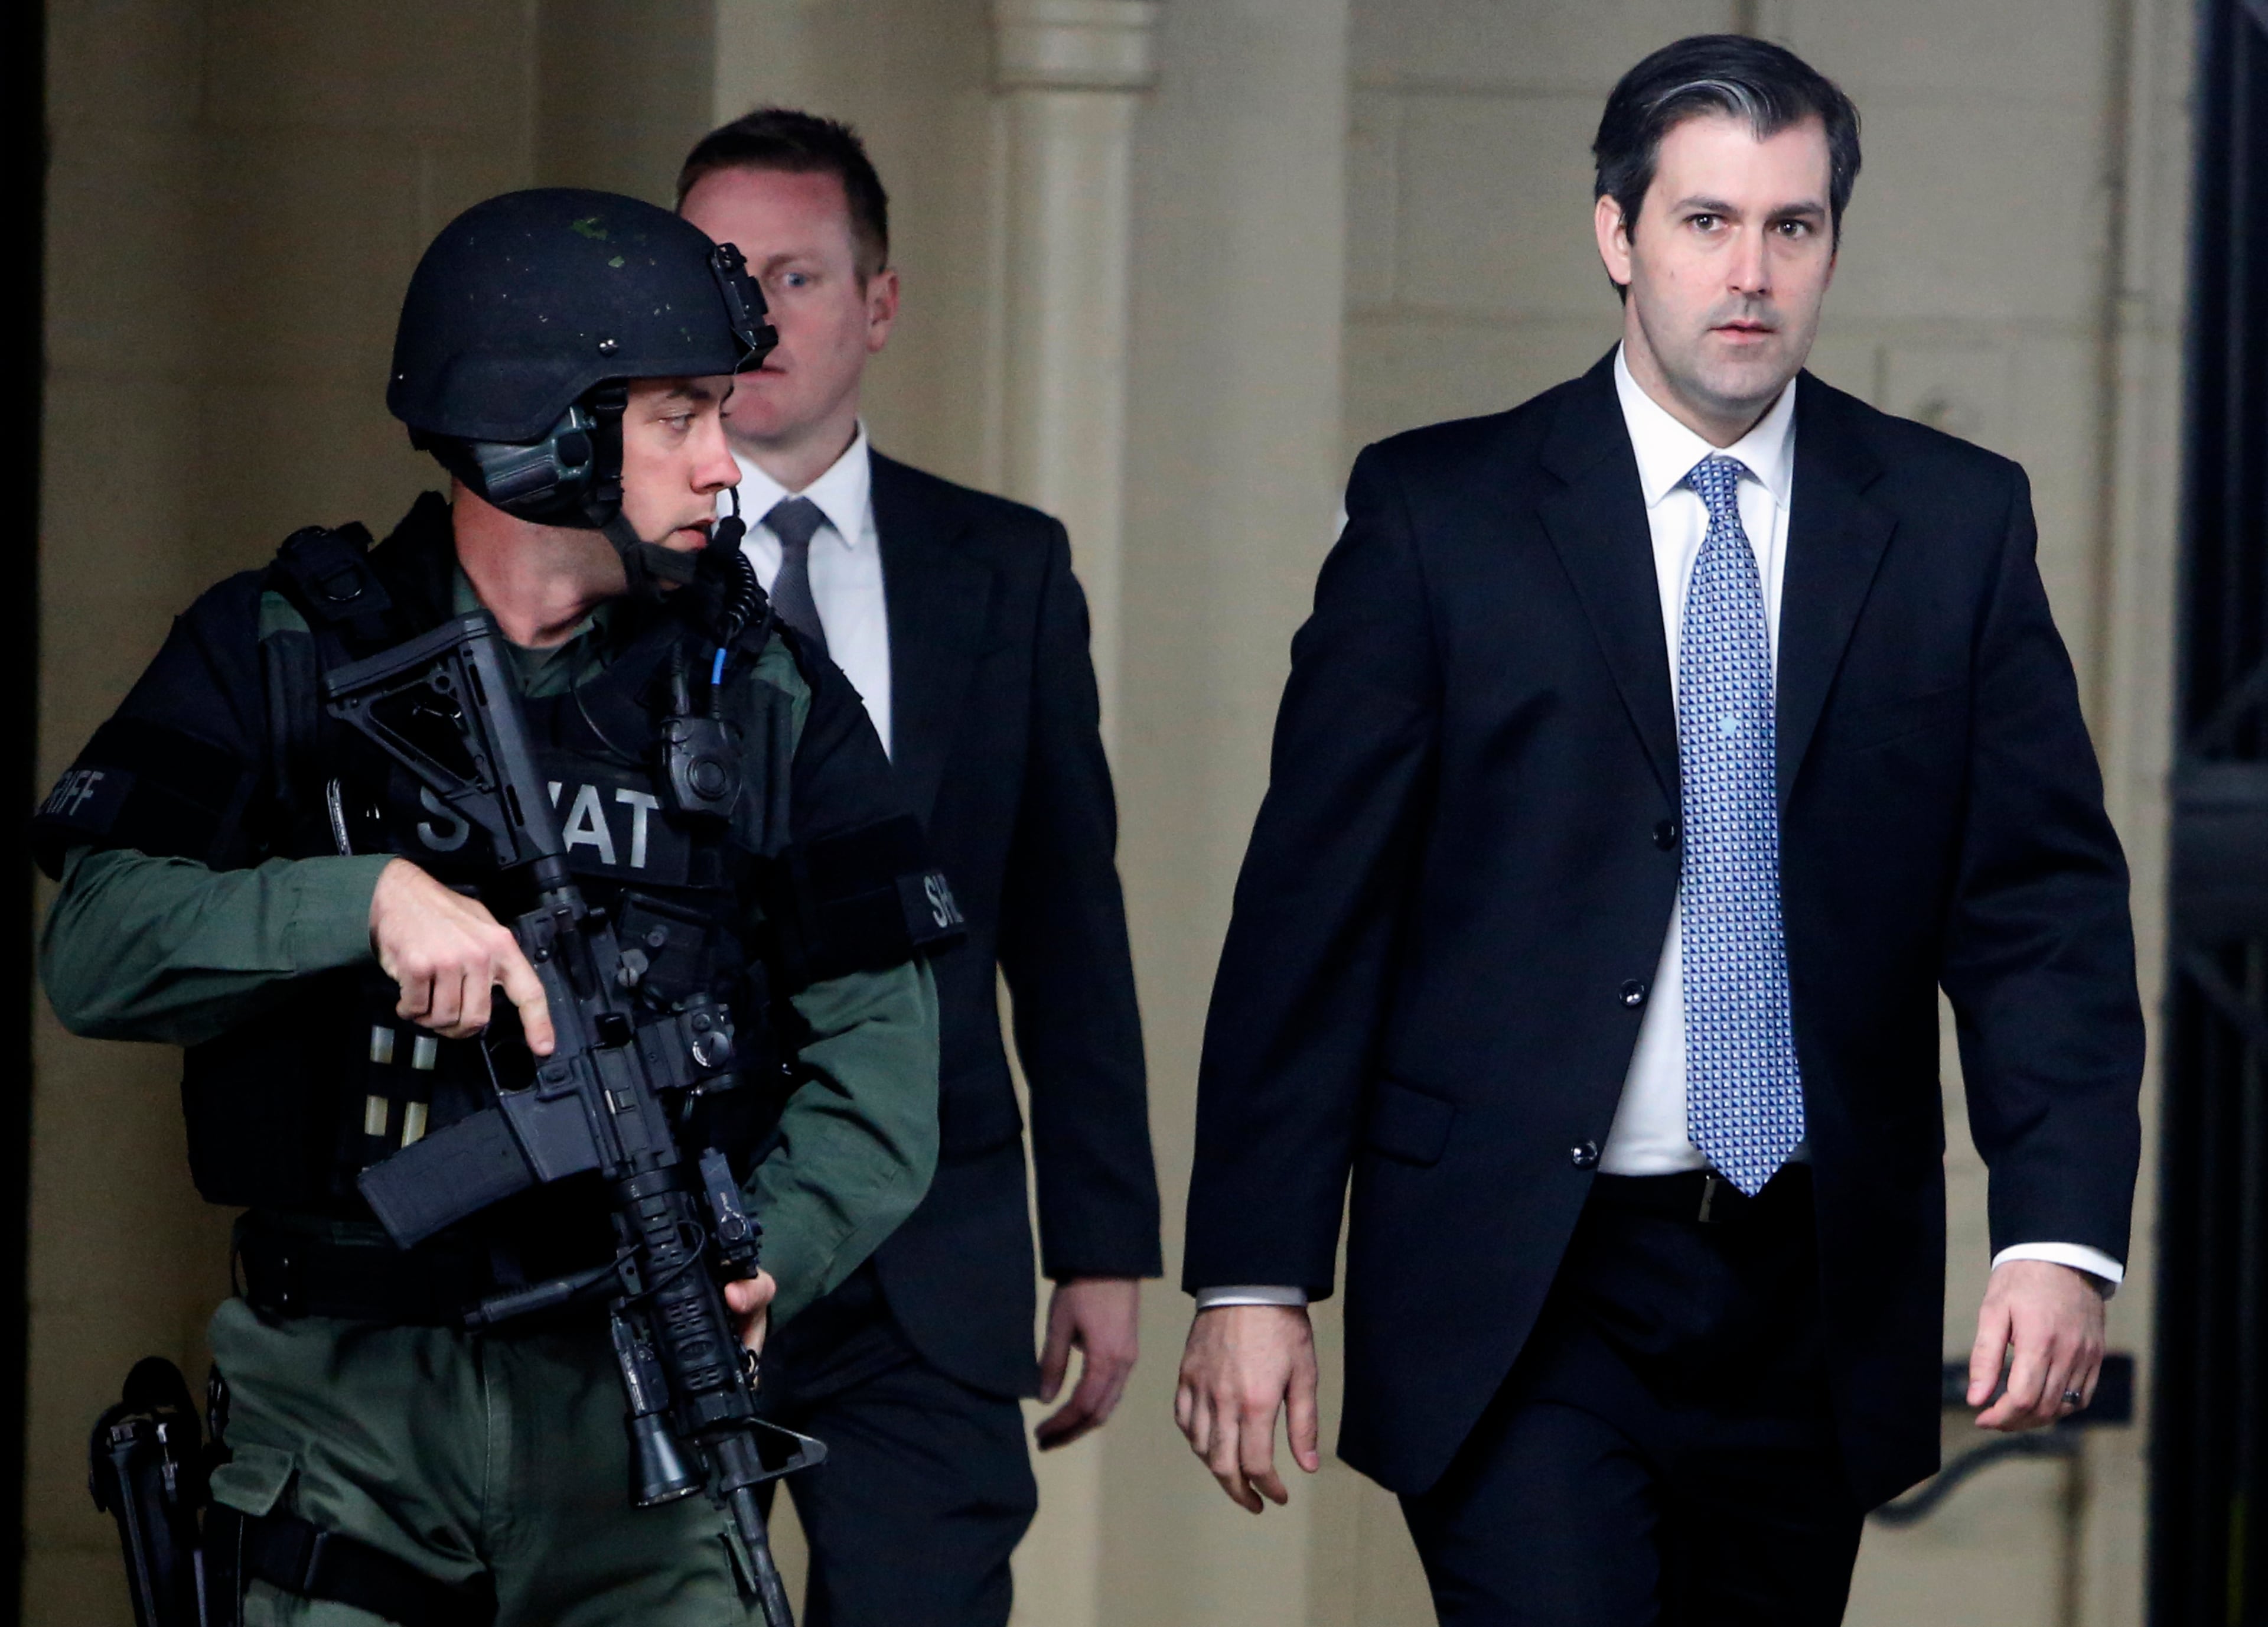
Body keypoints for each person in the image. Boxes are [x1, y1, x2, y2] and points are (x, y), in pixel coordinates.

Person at [1172, 34, 2143, 1625]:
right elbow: (1315, 912)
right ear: (1618, 235)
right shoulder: (1443, 516)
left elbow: (2039, 904)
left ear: (1831, 243)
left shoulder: (1956, 524)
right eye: (1706, 223)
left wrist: (2060, 1232)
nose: (1750, 272)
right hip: (1524, 1279)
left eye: (1792, 226)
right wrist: (1256, 1271)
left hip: (1809, 1286)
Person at [37, 187, 943, 1626]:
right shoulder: (281, 647)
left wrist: (769, 1253)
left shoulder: (758, 694)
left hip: (638, 1426)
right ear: (546, 433)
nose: (727, 462)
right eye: (679, 418)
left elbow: (887, 1063)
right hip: (345, 1420)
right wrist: (362, 902)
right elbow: (94, 948)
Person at [673, 110, 1160, 1626]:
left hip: (933, 1245)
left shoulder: (1004, 567)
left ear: (878, 304)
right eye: (716, 275)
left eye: (797, 276)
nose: (752, 315)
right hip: (677, 1229)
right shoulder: (605, 572)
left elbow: (1070, 925)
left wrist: (1102, 1242)